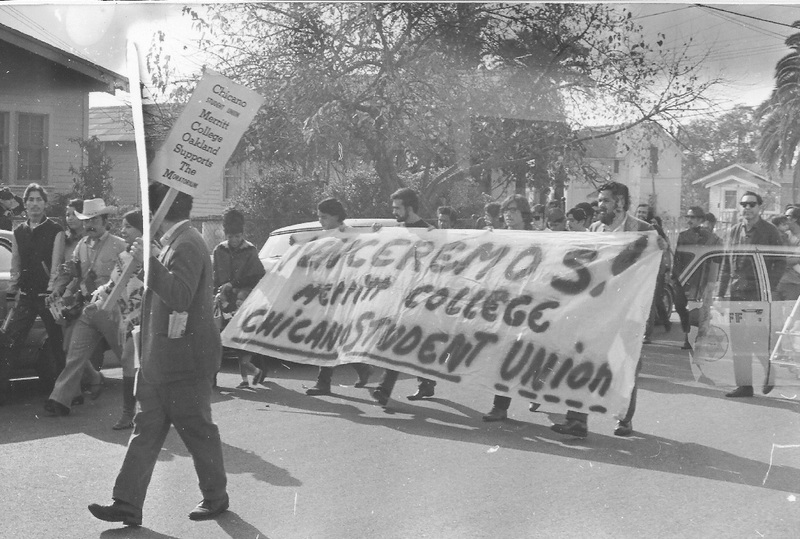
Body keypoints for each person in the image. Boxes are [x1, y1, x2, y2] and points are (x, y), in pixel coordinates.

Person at [89, 184, 228, 526]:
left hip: (185, 359)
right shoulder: (173, 243)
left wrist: (149, 261)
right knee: (146, 429)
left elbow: (180, 296)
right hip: (159, 357)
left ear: (161, 211)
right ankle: (126, 503)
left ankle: (215, 497)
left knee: (196, 430)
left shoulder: (189, 244)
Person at [552, 181, 653, 438]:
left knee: (624, 364)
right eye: (599, 201)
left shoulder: (643, 231)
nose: (600, 206)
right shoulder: (595, 229)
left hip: (628, 311)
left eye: (605, 201)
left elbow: (655, 269)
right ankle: (577, 420)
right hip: (596, 309)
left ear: (620, 203)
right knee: (582, 360)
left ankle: (623, 419)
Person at [44, 198, 127, 416]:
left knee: (126, 357)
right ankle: (60, 400)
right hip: (89, 310)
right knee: (74, 353)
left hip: (113, 311)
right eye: (87, 220)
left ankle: (146, 399)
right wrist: (58, 289)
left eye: (95, 219)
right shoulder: (81, 245)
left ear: (105, 220)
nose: (90, 224)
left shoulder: (119, 245)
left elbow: (131, 279)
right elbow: (69, 270)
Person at [371, 187, 438, 406]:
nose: (394, 212)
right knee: (407, 342)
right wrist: (377, 237)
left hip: (420, 297)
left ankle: (384, 388)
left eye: (398, 208)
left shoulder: (429, 231)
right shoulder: (397, 231)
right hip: (398, 296)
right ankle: (426, 382)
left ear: (410, 208)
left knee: (398, 341)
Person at [0, 184, 66, 406]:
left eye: (39, 199)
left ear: (45, 204)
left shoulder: (56, 230)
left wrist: (50, 291)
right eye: (31, 200)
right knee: (10, 340)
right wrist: (13, 288)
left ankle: (66, 394)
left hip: (47, 296)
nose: (35, 204)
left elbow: (56, 265)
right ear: (25, 204)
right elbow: (16, 263)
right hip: (26, 296)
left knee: (58, 344)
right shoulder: (19, 231)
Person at [717, 191, 784, 398]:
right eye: (743, 204)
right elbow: (726, 265)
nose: (747, 208)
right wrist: (720, 295)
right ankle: (745, 386)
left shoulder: (770, 232)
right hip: (737, 293)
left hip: (758, 295)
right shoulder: (734, 231)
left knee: (755, 337)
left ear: (760, 207)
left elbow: (780, 262)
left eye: (751, 204)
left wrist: (767, 285)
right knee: (738, 340)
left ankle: (770, 371)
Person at [305, 198, 373, 396]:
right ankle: (362, 368)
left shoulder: (351, 235)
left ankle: (323, 382)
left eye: (324, 217)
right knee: (333, 337)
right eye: (318, 217)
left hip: (346, 295)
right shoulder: (325, 236)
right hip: (328, 293)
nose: (321, 221)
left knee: (330, 337)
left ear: (336, 216)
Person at [482, 194, 539, 421]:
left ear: (524, 213)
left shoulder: (539, 238)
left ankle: (540, 391)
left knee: (533, 354)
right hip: (507, 304)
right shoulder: (500, 236)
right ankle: (500, 406)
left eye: (513, 210)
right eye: (505, 210)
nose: (508, 214)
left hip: (533, 303)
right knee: (505, 355)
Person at [212, 208, 266, 388]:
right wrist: (219, 290)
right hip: (223, 298)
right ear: (225, 234)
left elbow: (257, 274)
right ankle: (213, 376)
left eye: (237, 236)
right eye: (230, 236)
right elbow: (215, 274)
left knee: (240, 336)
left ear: (242, 234)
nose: (234, 240)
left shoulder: (250, 250)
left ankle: (248, 374)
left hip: (243, 298)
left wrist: (234, 284)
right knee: (219, 336)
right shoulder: (219, 250)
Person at [671, 206, 719, 350]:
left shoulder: (711, 238)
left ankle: (690, 338)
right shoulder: (683, 236)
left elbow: (715, 260)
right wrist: (674, 276)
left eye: (692, 218)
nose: (689, 220)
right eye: (688, 217)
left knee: (696, 308)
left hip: (701, 279)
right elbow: (678, 257)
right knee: (679, 305)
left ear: (700, 220)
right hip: (684, 277)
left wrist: (712, 281)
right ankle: (689, 329)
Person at [775, 206, 800, 302]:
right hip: (779, 282)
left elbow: (797, 259)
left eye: (787, 216)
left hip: (793, 283)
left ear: (795, 219)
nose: (783, 219)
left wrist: (780, 260)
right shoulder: (783, 234)